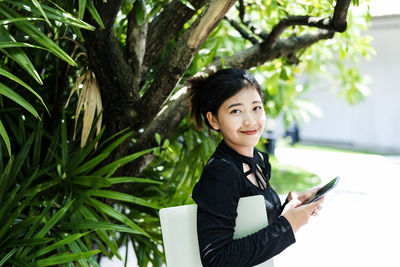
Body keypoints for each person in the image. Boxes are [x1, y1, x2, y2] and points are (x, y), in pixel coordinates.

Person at [187, 68, 323, 267]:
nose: (250, 120)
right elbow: (216, 259)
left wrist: (290, 208)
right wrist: (288, 226)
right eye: (236, 111)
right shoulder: (221, 172)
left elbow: (251, 222)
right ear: (214, 120)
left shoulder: (257, 160)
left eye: (256, 108)